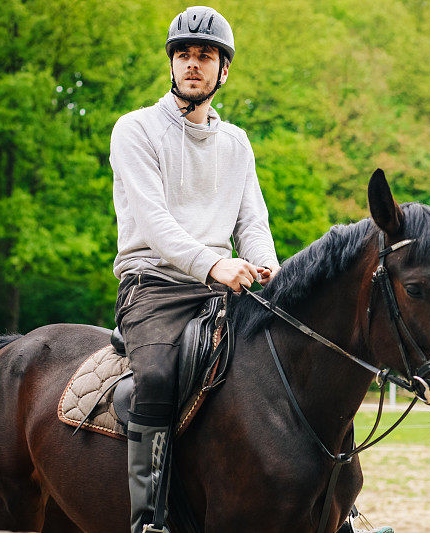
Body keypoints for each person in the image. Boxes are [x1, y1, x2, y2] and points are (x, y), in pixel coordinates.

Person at [110, 6, 391, 533]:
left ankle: (340, 504)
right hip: (155, 287)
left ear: (223, 70)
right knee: (156, 376)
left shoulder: (236, 143)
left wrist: (268, 272)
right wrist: (214, 263)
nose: (193, 64)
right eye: (184, 55)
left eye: (205, 56)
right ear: (172, 65)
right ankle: (147, 517)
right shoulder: (136, 130)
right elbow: (155, 224)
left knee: (306, 366)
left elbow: (254, 225)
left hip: (223, 286)